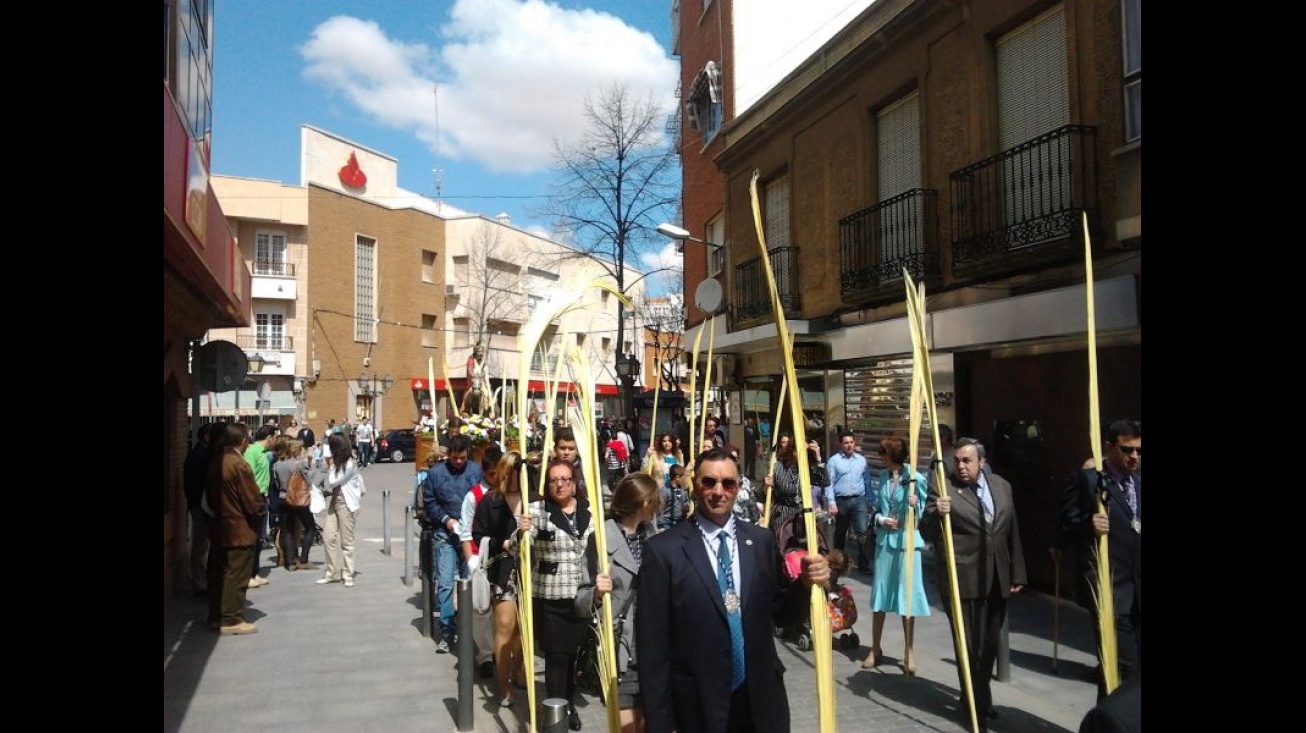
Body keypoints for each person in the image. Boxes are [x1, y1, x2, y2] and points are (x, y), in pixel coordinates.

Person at [636, 448, 829, 733]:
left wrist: (805, 584)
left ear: (738, 487)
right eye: (709, 482)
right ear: (695, 486)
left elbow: (781, 616)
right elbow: (652, 649)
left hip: (760, 701)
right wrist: (661, 724)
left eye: (728, 483)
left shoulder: (760, 541)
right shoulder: (664, 552)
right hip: (698, 706)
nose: (718, 491)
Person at [920, 438, 1026, 729]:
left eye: (967, 460)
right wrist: (935, 512)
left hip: (996, 577)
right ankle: (976, 706)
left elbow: (1010, 530)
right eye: (957, 460)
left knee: (990, 644)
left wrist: (1017, 572)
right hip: (961, 579)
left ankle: (978, 698)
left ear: (982, 461)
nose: (961, 466)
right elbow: (925, 530)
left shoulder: (1001, 486)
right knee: (970, 646)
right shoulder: (943, 486)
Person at [1060, 418, 1142, 698]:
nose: (1134, 457)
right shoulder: (1091, 481)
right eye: (1127, 450)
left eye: (1139, 451)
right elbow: (1066, 525)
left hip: (1137, 594)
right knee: (1123, 667)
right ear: (1109, 447)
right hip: (1110, 591)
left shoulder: (1139, 484)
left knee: (1124, 673)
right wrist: (1088, 525)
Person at [577, 472, 661, 733]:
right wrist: (597, 593)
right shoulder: (600, 541)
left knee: (650, 721)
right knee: (626, 726)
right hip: (619, 645)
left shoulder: (656, 537)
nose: (659, 503)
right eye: (654, 499)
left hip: (654, 643)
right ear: (642, 502)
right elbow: (580, 602)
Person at [528, 459, 595, 731]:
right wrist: (520, 533)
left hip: (581, 596)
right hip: (550, 596)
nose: (559, 484)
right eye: (554, 479)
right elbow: (518, 545)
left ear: (573, 482)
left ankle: (568, 705)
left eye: (565, 479)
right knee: (556, 657)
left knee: (573, 655)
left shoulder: (588, 511)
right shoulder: (537, 511)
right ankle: (556, 713)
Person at [862, 435, 930, 675]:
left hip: (906, 543)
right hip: (884, 542)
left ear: (892, 455)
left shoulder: (915, 478)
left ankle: (909, 651)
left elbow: (924, 515)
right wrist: (881, 519)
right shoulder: (881, 477)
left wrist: (915, 505)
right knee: (879, 596)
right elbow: (877, 509)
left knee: (906, 598)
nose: (879, 457)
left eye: (882, 453)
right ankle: (875, 647)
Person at [422, 433, 484, 653]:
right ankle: (447, 630)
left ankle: (469, 630)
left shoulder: (476, 471)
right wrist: (446, 520)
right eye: (455, 458)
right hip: (445, 534)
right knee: (446, 583)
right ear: (448, 455)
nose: (459, 462)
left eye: (462, 458)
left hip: (469, 536)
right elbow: (429, 501)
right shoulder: (436, 474)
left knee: (470, 583)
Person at [205, 422, 266, 634]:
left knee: (219, 573)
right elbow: (252, 500)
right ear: (242, 441)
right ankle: (231, 619)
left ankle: (216, 615)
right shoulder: (238, 464)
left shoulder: (215, 462)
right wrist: (260, 512)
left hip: (220, 525)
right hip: (239, 528)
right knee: (236, 574)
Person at [461, 444, 503, 679]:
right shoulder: (473, 496)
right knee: (481, 610)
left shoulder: (509, 493)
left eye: (499, 473)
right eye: (491, 474)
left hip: (503, 557)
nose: (495, 478)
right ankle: (485, 655)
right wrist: (472, 562)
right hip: (480, 557)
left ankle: (500, 649)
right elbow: (465, 532)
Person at [315, 434, 365, 588]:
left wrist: (330, 464)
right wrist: (328, 462)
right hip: (335, 504)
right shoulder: (335, 463)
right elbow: (321, 475)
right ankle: (331, 572)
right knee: (328, 537)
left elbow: (332, 481)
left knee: (346, 541)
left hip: (347, 505)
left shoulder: (350, 464)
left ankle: (348, 573)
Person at [826, 431, 872, 573]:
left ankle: (864, 565)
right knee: (840, 533)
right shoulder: (834, 461)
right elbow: (828, 483)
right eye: (846, 443)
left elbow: (867, 481)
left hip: (859, 499)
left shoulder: (861, 460)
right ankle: (838, 565)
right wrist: (831, 502)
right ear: (841, 444)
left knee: (862, 532)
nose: (849, 445)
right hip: (841, 501)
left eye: (851, 442)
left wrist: (870, 501)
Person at [183, 422, 217, 596]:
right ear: (206, 437)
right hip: (200, 506)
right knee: (199, 545)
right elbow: (197, 484)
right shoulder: (200, 456)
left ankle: (201, 580)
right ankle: (199, 583)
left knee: (203, 545)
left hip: (199, 505)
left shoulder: (202, 454)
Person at [272, 438, 315, 571]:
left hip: (283, 498)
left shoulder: (277, 464)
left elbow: (276, 483)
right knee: (310, 528)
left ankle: (290, 562)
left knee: (287, 530)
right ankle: (303, 559)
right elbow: (309, 480)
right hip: (298, 499)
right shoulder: (298, 464)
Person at [243, 424, 277, 588]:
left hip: (263, 496)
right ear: (269, 437)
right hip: (254, 497)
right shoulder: (252, 452)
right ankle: (248, 574)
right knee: (253, 537)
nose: (275, 441)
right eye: (275, 437)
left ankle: (254, 572)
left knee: (260, 538)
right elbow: (248, 475)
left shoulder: (264, 453)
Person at [658, 464, 689, 532]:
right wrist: (661, 526)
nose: (685, 479)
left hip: (680, 522)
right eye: (683, 477)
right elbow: (659, 510)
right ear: (677, 477)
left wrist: (686, 506)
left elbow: (686, 501)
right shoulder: (664, 491)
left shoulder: (682, 488)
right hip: (667, 524)